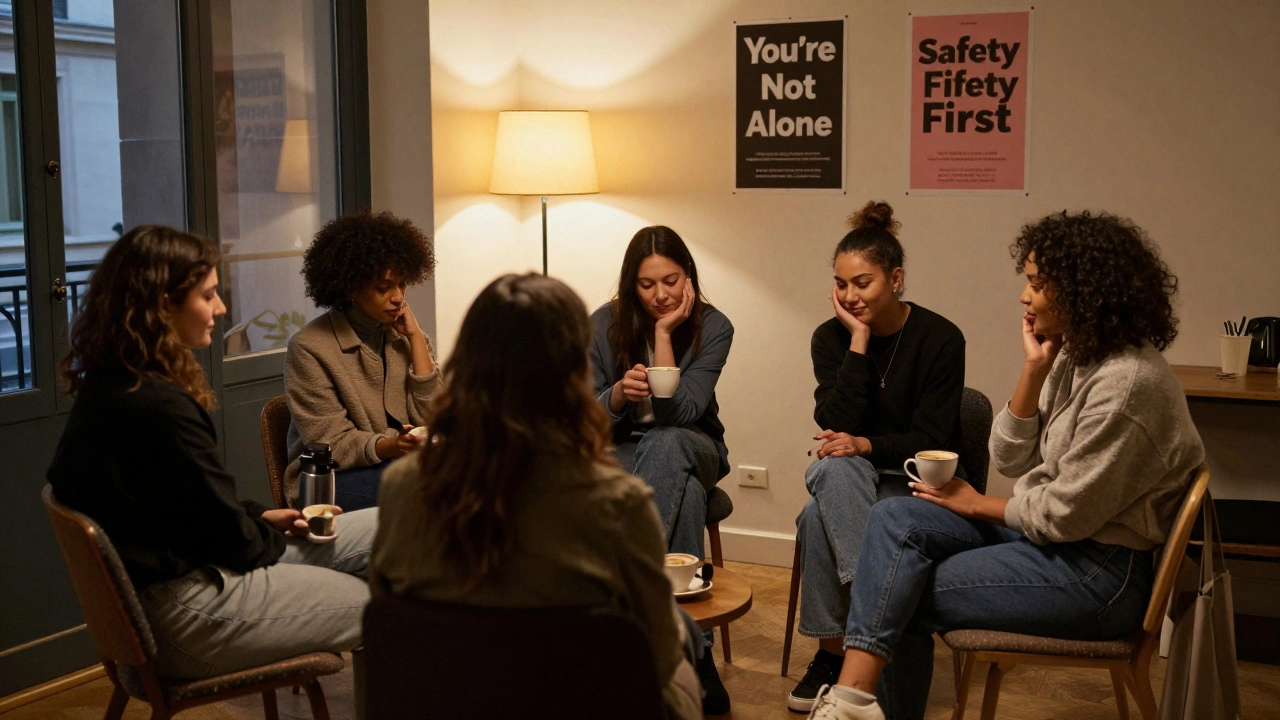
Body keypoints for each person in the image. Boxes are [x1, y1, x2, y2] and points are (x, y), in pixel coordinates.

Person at [804, 211, 1205, 720]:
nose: (1024, 295)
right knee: (892, 521)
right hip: (1053, 545)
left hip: (1097, 575)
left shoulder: (1125, 384)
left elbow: (1063, 515)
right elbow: (1010, 458)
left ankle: (850, 702)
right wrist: (1034, 371)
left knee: (893, 586)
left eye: (1037, 283)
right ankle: (856, 703)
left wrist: (977, 504)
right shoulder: (1076, 357)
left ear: (1083, 290)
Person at [47, 225, 376, 678]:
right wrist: (256, 532)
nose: (221, 309)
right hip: (184, 611)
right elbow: (237, 546)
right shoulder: (159, 407)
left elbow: (182, 505)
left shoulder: (111, 383)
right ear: (163, 305)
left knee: (387, 525)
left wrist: (258, 518)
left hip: (185, 574)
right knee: (385, 609)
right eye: (209, 295)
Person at [370, 274, 703, 720]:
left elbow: (391, 628)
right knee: (682, 643)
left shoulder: (402, 487)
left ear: (467, 365)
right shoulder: (618, 503)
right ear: (572, 374)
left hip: (449, 703)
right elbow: (658, 661)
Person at [788, 201, 966, 713]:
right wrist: (859, 343)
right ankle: (872, 638)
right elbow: (835, 421)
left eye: (862, 283)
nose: (850, 296)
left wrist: (866, 444)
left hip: (918, 480)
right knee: (831, 469)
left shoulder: (940, 338)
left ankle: (838, 653)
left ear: (896, 278)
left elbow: (934, 438)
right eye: (841, 285)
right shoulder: (831, 337)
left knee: (813, 517)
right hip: (854, 476)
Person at [588, 225, 734, 713]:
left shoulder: (714, 326)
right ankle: (695, 652)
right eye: (647, 285)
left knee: (670, 444)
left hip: (697, 445)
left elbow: (682, 412)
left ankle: (629, 610)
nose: (660, 295)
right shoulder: (600, 324)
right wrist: (616, 396)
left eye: (670, 281)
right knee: (687, 497)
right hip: (624, 447)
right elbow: (584, 417)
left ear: (688, 276)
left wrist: (665, 334)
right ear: (632, 284)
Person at [285, 209, 439, 511]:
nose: (398, 297)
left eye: (402, 284)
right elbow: (331, 443)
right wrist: (392, 446)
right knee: (431, 494)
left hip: (401, 464)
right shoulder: (309, 348)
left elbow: (434, 418)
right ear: (350, 287)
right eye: (383, 287)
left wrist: (417, 340)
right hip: (332, 478)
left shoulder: (405, 336)